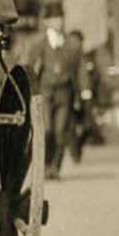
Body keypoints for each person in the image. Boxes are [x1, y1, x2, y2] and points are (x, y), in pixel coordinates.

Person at [41, 29, 85, 180]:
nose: (57, 24)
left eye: (59, 19)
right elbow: (32, 68)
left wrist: (83, 92)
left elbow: (80, 70)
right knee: (47, 130)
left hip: (64, 93)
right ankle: (46, 164)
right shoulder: (41, 43)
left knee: (60, 131)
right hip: (46, 93)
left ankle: (55, 167)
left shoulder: (72, 45)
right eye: (53, 20)